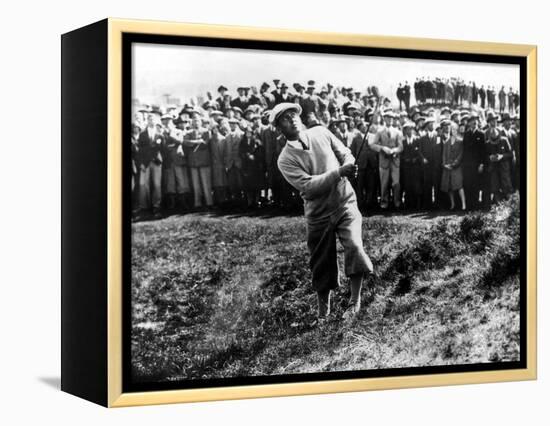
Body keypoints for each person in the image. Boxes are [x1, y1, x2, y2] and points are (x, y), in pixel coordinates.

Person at [274, 103, 373, 321]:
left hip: (345, 201)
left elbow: (344, 152)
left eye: (293, 115)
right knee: (321, 263)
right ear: (279, 128)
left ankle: (354, 302)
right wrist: (339, 171)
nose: (292, 119)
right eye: (285, 119)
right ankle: (323, 314)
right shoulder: (285, 159)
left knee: (355, 246)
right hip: (318, 214)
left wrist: (348, 163)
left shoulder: (321, 132)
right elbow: (309, 185)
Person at [370, 111, 403, 210]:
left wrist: (394, 150)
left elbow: (401, 146)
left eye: (392, 118)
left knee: (396, 183)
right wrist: (382, 148)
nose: (390, 119)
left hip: (394, 160)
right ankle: (384, 203)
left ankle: (397, 202)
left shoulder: (398, 132)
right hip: (384, 160)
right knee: (384, 183)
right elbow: (372, 145)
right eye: (388, 118)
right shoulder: (380, 131)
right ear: (384, 119)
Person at [137, 112, 164, 218]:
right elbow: (140, 150)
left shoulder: (159, 134)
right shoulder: (142, 134)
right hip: (145, 163)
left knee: (157, 185)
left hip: (157, 162)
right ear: (147, 121)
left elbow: (163, 149)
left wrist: (161, 160)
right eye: (149, 119)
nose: (151, 121)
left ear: (156, 121)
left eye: (153, 119)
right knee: (143, 185)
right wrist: (141, 164)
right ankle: (145, 207)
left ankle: (156, 206)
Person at [440, 120, 466, 210]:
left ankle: (463, 204)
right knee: (449, 187)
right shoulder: (446, 142)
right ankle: (453, 204)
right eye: (452, 130)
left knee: (459, 186)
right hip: (448, 167)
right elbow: (443, 154)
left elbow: (461, 154)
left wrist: (454, 164)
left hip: (456, 167)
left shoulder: (460, 141)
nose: (453, 132)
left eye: (455, 130)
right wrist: (444, 164)